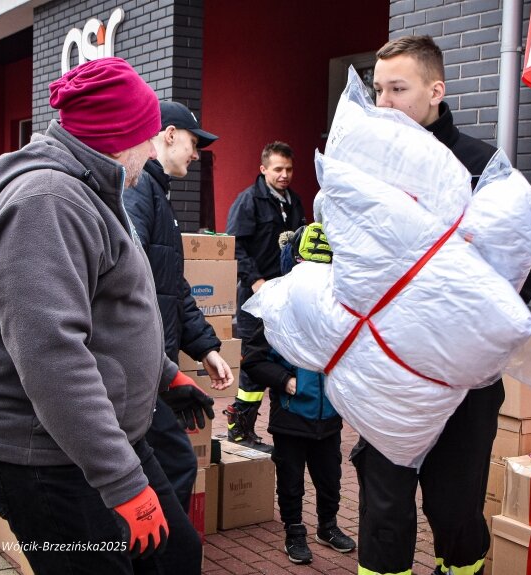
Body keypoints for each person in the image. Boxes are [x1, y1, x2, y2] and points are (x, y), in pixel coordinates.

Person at [0, 57, 212, 574]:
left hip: (97, 436)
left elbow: (109, 310)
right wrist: (124, 484)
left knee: (176, 554)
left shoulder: (93, 189)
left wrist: (163, 373)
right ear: (118, 139)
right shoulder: (47, 203)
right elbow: (52, 357)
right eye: (145, 139)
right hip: (41, 456)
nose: (151, 151)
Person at [350, 35, 531, 575]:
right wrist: (317, 251)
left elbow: (526, 265)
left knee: (456, 508)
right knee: (384, 509)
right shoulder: (366, 166)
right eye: (377, 90)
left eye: (398, 89)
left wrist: (467, 322)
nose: (384, 102)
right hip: (390, 375)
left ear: (436, 90)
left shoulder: (485, 167)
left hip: (463, 380)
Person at [124, 100, 233, 513]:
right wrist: (158, 371)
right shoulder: (138, 192)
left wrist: (205, 348)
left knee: (168, 468)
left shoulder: (156, 194)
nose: (196, 154)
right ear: (169, 135)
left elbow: (173, 288)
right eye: (193, 143)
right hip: (139, 371)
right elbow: (128, 284)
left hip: (152, 367)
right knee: (174, 467)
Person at [241, 223, 355, 565]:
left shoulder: (337, 307)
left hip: (329, 417)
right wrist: (286, 380)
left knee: (330, 479)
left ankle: (327, 526)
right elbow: (254, 360)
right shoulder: (279, 307)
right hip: (291, 415)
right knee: (290, 481)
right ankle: (294, 532)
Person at [225, 141, 307, 452]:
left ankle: (277, 426)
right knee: (255, 362)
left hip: (285, 297)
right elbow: (235, 244)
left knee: (280, 359)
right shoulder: (249, 201)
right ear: (263, 169)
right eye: (278, 169)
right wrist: (255, 280)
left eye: (289, 169)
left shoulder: (294, 202)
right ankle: (239, 427)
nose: (284, 175)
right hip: (256, 299)